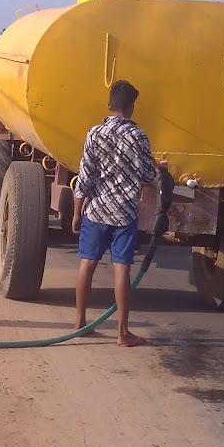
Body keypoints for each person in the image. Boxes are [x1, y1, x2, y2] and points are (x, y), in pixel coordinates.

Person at [71, 79, 160, 346]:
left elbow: (84, 177)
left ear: (109, 106)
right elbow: (148, 174)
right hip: (124, 214)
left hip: (96, 210)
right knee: (122, 269)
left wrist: (77, 213)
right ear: (131, 107)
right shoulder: (138, 136)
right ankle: (122, 333)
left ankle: (79, 324)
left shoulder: (94, 133)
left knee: (87, 263)